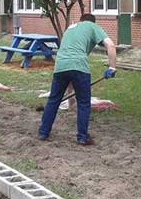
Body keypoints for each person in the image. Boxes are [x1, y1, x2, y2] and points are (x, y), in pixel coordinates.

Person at [38, 13, 117, 146]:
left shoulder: (71, 28)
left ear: (81, 20)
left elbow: (69, 67)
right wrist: (112, 67)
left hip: (60, 66)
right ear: (92, 22)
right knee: (84, 103)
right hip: (79, 67)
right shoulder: (92, 26)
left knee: (53, 100)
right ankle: (82, 137)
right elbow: (111, 45)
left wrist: (70, 100)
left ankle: (43, 132)